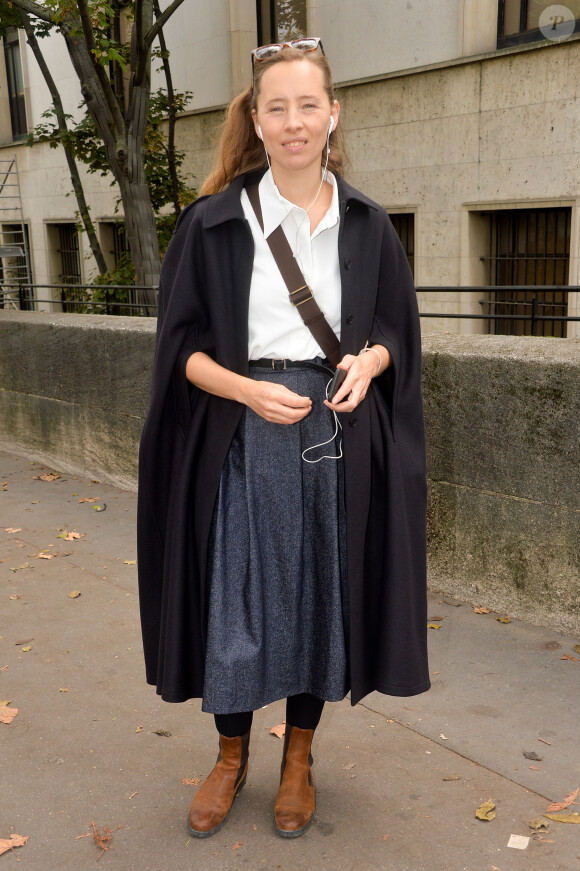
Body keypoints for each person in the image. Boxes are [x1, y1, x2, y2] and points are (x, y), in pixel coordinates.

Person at [137, 37, 429, 840]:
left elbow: (395, 330)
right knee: (234, 601)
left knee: (314, 599)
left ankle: (299, 756)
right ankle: (231, 755)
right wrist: (244, 388)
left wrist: (369, 365)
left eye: (310, 105)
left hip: (332, 439)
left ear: (333, 114)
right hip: (238, 435)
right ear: (256, 121)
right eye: (278, 107)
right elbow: (179, 354)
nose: (295, 122)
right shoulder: (213, 224)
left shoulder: (368, 224)